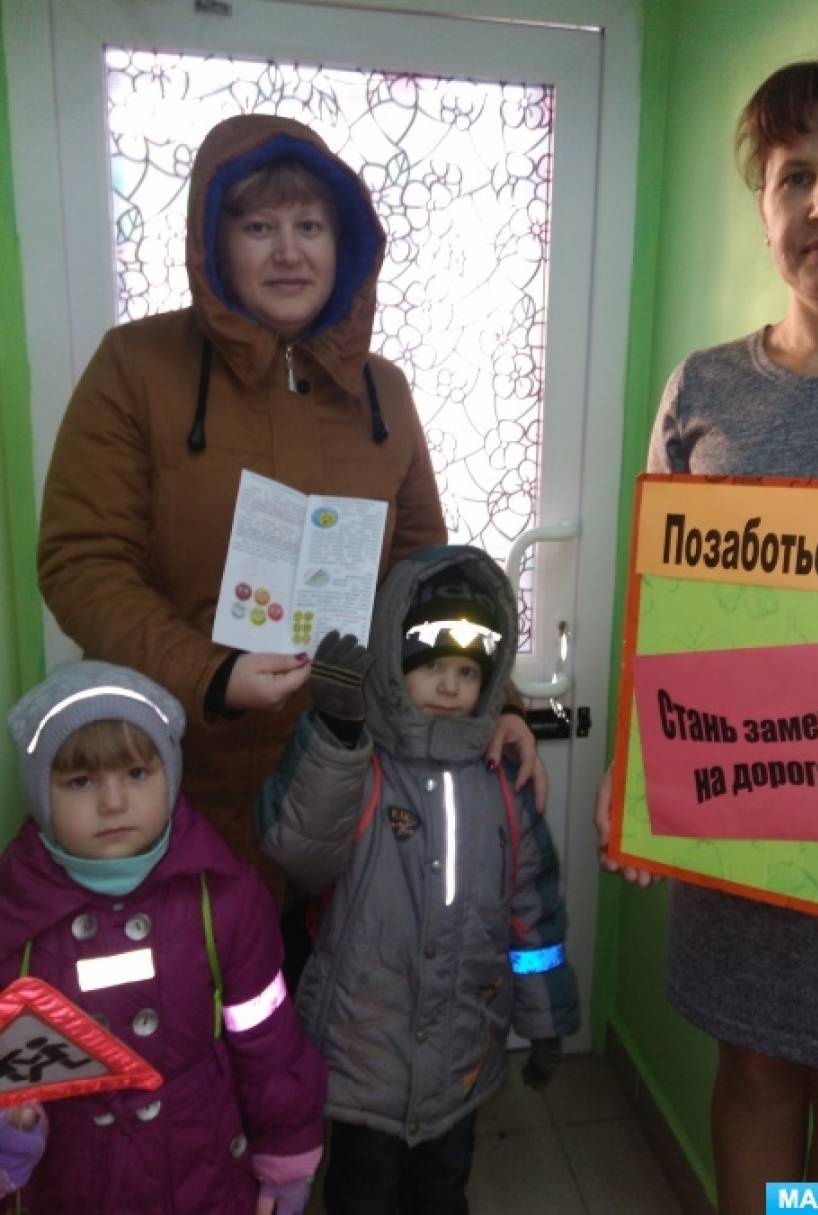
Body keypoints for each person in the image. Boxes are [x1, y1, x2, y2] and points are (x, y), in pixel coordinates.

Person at [36, 112, 541, 895]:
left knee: (328, 972)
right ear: (213, 242)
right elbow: (81, 561)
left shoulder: (383, 391)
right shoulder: (137, 366)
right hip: (166, 781)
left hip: (343, 786)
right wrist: (212, 674)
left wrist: (495, 699)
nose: (288, 251)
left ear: (344, 246)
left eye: (310, 225)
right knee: (200, 968)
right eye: (258, 226)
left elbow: (428, 579)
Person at [595, 47, 818, 1213]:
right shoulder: (704, 390)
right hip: (738, 810)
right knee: (754, 1071)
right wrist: (635, 768)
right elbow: (659, 599)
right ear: (765, 206)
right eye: (793, 176)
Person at [257, 545, 579, 1214]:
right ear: (394, 663)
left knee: (441, 1190)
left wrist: (546, 1016)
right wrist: (334, 735)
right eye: (431, 666)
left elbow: (533, 917)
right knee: (363, 1192)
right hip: (364, 1047)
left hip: (462, 1048)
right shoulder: (361, 765)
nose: (450, 686)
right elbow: (298, 847)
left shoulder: (502, 782)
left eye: (467, 671)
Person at [0, 660, 327, 1214]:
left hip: (205, 1178)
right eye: (80, 781)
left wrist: (287, 1157)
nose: (113, 802)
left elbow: (269, 1045)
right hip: (74, 1187)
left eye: (136, 773)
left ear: (170, 775)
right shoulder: (17, 918)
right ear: (40, 792)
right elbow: (15, 1074)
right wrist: (12, 1132)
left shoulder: (224, 900)